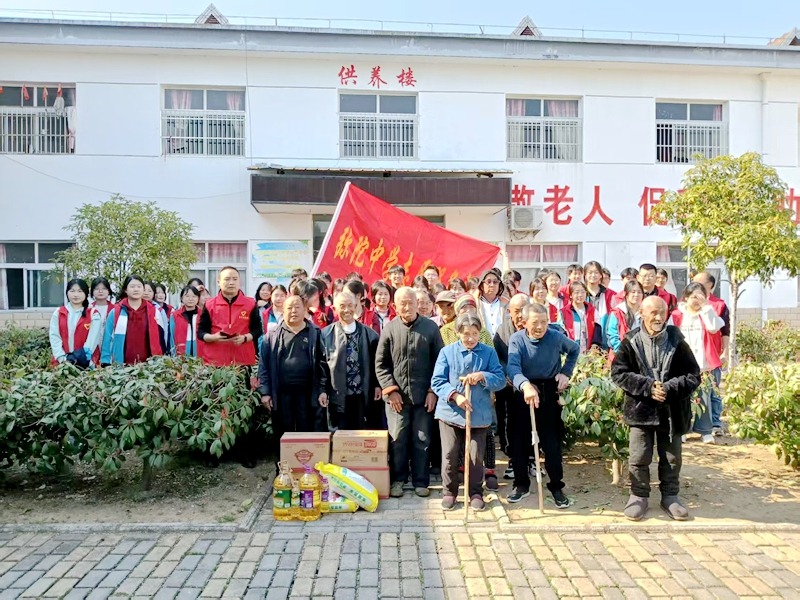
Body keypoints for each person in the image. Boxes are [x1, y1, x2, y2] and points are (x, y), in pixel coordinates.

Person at [611, 296, 700, 521]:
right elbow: (619, 373)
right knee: (639, 456)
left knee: (671, 457)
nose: (659, 317)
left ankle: (670, 496)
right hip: (641, 410)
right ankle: (638, 496)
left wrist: (668, 389)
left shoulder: (677, 341)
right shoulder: (630, 341)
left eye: (662, 312)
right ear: (642, 313)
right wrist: (648, 387)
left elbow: (693, 375)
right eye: (653, 313)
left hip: (672, 411)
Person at [506, 303, 579, 507]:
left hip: (548, 392)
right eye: (535, 322)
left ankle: (556, 486)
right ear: (524, 323)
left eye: (544, 322)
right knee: (519, 442)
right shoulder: (517, 339)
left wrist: (565, 373)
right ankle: (521, 484)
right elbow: (512, 367)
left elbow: (574, 350)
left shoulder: (555, 337)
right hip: (523, 391)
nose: (540, 327)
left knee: (551, 443)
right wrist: (525, 385)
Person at [431, 314, 506, 512]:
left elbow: (500, 379)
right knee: (450, 453)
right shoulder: (447, 352)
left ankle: (475, 492)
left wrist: (483, 376)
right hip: (450, 413)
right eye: (466, 334)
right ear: (458, 333)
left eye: (474, 333)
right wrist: (455, 396)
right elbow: (437, 381)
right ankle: (449, 492)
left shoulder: (489, 353)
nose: (471, 338)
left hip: (478, 414)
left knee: (475, 456)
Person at [375, 287, 444, 498]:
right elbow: (381, 364)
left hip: (424, 397)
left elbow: (440, 363)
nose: (407, 307)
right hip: (397, 398)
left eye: (410, 302)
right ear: (395, 306)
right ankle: (398, 479)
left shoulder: (430, 328)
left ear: (417, 304)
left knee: (422, 439)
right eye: (402, 303)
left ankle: (421, 481)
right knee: (398, 439)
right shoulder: (390, 329)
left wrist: (433, 391)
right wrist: (390, 390)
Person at [259, 294, 330, 435]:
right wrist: (265, 392)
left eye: (297, 307)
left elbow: (323, 364)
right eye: (289, 308)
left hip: (308, 393)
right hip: (282, 393)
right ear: (283, 311)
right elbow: (264, 365)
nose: (293, 311)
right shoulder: (272, 335)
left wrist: (323, 389)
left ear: (305, 310)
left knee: (308, 432)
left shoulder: (315, 333)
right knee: (283, 432)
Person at [670, 282, 724, 444]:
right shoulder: (677, 315)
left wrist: (706, 308)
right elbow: (671, 336)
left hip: (703, 363)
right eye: (693, 296)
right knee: (682, 398)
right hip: (682, 363)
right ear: (686, 298)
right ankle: (682, 430)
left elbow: (714, 327)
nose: (696, 300)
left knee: (704, 397)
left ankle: (705, 430)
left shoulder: (708, 312)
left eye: (700, 296)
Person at [321, 291, 382, 430]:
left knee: (362, 432)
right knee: (340, 434)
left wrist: (377, 385)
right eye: (342, 306)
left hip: (362, 394)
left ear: (355, 307)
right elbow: (322, 366)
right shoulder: (326, 334)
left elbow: (377, 363)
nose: (346, 310)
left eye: (350, 305)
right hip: (337, 394)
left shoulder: (370, 334)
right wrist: (322, 390)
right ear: (335, 309)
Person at [493, 293, 530, 480]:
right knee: (508, 422)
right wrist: (505, 372)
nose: (521, 314)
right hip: (508, 386)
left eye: (524, 309)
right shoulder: (502, 330)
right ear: (509, 311)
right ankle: (512, 459)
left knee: (529, 422)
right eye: (517, 311)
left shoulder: (534, 326)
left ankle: (531, 459)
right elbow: (496, 355)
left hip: (529, 384)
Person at [198, 266, 261, 368]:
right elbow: (201, 332)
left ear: (239, 282)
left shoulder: (250, 303)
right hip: (215, 361)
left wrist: (244, 338)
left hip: (243, 360)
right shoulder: (209, 304)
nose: (231, 283)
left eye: (235, 279)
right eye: (227, 279)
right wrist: (213, 337)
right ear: (218, 282)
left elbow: (258, 330)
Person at [693, 271, 730, 435]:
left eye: (700, 283)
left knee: (713, 390)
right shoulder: (686, 304)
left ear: (710, 285)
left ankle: (715, 423)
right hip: (692, 355)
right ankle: (691, 423)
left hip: (712, 355)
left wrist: (725, 352)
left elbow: (725, 331)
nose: (696, 286)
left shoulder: (719, 305)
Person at [101, 275, 164, 366]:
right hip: (121, 365)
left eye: (139, 286)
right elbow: (107, 337)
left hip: (149, 365)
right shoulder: (116, 311)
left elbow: (161, 338)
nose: (136, 289)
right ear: (125, 290)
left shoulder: (153, 311)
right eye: (132, 286)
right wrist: (105, 361)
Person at [49, 278, 102, 368]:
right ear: (67, 292)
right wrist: (62, 358)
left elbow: (92, 340)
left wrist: (78, 359)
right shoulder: (58, 313)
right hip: (62, 364)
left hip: (87, 363)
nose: (76, 295)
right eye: (72, 291)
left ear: (86, 293)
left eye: (80, 291)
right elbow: (54, 337)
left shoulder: (93, 314)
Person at [561, 281, 602, 353]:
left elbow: (597, 331)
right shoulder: (563, 312)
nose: (580, 295)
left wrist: (594, 347)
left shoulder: (592, 310)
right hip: (570, 351)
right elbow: (561, 332)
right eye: (576, 292)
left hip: (589, 352)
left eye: (583, 292)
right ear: (571, 295)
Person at [606, 280, 645, 357]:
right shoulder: (617, 312)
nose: (636, 295)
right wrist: (622, 352)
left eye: (639, 292)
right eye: (633, 292)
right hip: (620, 355)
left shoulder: (645, 312)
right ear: (626, 294)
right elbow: (612, 335)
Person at [584, 261, 615, 348]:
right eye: (590, 272)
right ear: (585, 275)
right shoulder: (580, 293)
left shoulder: (610, 295)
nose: (593, 275)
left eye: (596, 272)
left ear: (601, 275)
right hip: (584, 338)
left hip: (605, 339)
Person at [169, 285, 202, 357]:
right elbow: (171, 337)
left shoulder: (203, 315)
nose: (191, 299)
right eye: (187, 296)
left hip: (199, 349)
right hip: (181, 350)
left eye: (194, 296)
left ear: (198, 298)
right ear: (182, 298)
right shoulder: (175, 315)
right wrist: (173, 354)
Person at [89, 276, 115, 363]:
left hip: (110, 344)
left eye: (104, 288)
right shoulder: (88, 309)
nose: (100, 291)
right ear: (92, 292)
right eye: (97, 289)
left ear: (109, 291)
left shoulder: (115, 309)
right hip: (92, 344)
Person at [478, 270, 506, 338]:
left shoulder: (505, 304)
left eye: (495, 282)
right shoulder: (476, 305)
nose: (492, 285)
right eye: (489, 282)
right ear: (481, 286)